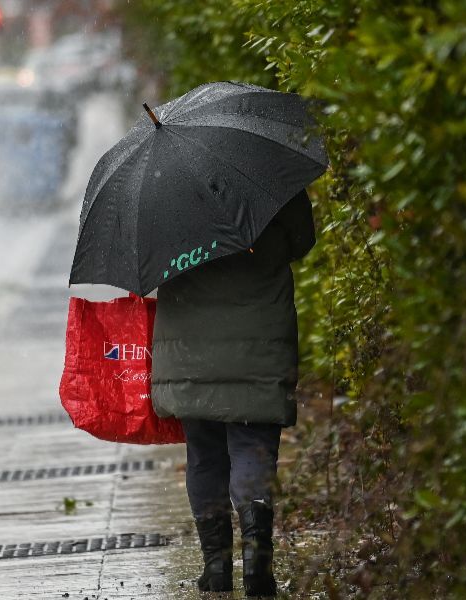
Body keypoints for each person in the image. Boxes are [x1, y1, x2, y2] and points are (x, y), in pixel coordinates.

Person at [151, 189, 316, 596]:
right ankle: (257, 560)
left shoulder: (163, 193)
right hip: (259, 341)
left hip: (189, 349)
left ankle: (216, 567)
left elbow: (148, 264)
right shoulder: (270, 180)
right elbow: (301, 240)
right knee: (252, 447)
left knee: (205, 454)